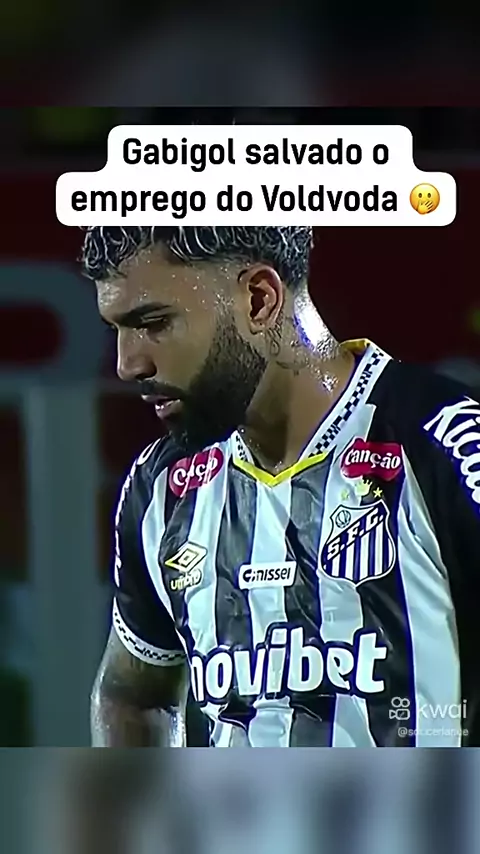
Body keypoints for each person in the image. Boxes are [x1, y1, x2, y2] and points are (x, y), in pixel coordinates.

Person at [84, 225, 480, 747]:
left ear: (259, 299)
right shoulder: (162, 487)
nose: (127, 364)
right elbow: (133, 695)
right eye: (117, 329)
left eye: (153, 322)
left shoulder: (448, 445)